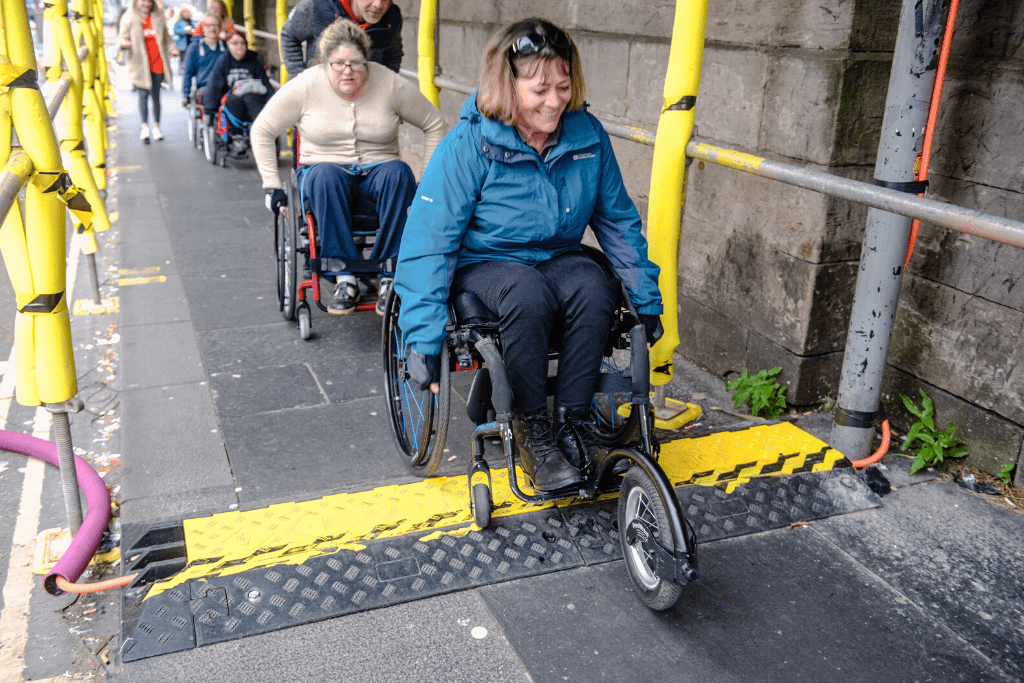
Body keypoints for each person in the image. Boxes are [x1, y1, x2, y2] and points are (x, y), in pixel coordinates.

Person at [393, 18, 664, 493]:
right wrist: (420, 335)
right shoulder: (470, 143)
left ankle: (573, 424)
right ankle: (532, 429)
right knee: (527, 293)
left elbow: (618, 221)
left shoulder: (587, 137)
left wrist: (645, 297)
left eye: (563, 87)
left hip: (555, 253)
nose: (555, 101)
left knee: (593, 286)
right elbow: (429, 241)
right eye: (540, 89)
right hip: (484, 262)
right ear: (507, 86)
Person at [252, 19, 445, 315]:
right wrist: (271, 185)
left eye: (356, 63)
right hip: (323, 169)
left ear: (366, 60)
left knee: (400, 174)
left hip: (378, 170)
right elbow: (262, 129)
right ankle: (344, 277)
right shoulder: (306, 84)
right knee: (324, 177)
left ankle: (389, 275)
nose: (348, 70)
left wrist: (429, 180)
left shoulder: (389, 83)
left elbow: (434, 124)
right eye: (339, 63)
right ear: (325, 62)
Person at [279, 0, 401, 76]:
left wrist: (383, 90)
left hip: (365, 101)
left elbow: (393, 55)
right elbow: (289, 36)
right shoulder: (317, 5)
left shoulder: (392, 16)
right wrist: (300, 79)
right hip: (320, 99)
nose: (378, 4)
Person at [202, 28, 273, 157]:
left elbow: (266, 84)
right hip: (232, 101)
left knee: (251, 98)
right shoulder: (223, 61)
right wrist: (210, 111)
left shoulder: (254, 61)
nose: (239, 46)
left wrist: (274, 104)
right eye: (234, 43)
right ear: (228, 45)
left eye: (242, 43)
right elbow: (214, 86)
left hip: (253, 100)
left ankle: (261, 135)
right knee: (235, 99)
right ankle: (237, 137)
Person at [119, 0, 179, 142]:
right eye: (142, 1)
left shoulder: (158, 17)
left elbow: (167, 38)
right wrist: (123, 43)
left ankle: (157, 127)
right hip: (139, 64)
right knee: (143, 95)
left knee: (156, 96)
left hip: (157, 62)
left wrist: (172, 48)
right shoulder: (129, 18)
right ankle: (145, 127)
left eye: (148, 1)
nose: (145, 4)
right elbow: (122, 37)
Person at [180, 12, 227, 108]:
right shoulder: (194, 48)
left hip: (225, 87)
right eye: (209, 25)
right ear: (203, 28)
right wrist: (186, 95)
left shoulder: (227, 47)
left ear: (220, 28)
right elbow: (188, 73)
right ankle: (211, 119)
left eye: (215, 25)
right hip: (205, 88)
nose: (212, 28)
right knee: (210, 94)